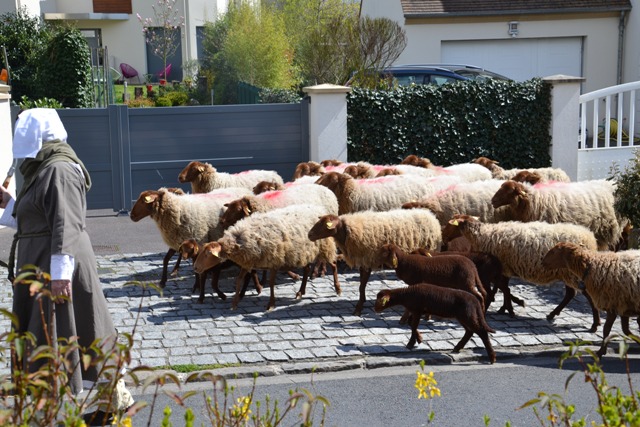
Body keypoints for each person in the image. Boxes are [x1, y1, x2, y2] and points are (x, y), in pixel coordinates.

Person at [0, 108, 134, 425]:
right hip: (42, 263)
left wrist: (60, 277)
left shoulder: (60, 167)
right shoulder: (42, 169)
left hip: (59, 266)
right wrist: (8, 203)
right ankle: (104, 402)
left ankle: (113, 402)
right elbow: (37, 216)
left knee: (85, 332)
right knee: (60, 335)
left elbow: (66, 222)